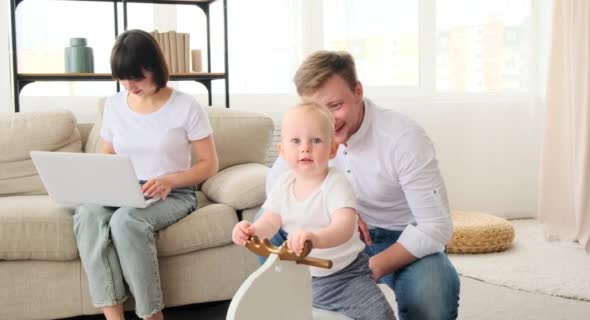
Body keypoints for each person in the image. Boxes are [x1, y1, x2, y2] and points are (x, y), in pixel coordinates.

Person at [264, 50, 460, 320]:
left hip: (399, 237)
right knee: (266, 225)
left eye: (335, 105)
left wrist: (371, 267)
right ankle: (302, 303)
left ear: (358, 91)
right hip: (332, 236)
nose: (329, 121)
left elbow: (436, 226)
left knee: (433, 289)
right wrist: (336, 219)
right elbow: (278, 187)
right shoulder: (310, 135)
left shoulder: (403, 139)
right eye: (318, 109)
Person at [73, 29, 219, 320]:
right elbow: (108, 154)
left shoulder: (186, 106)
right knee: (87, 215)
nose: (130, 85)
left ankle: (152, 315)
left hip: (174, 191)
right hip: (124, 187)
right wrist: (105, 182)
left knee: (126, 220)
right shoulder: (114, 105)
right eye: (122, 78)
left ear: (154, 68)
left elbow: (209, 164)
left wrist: (170, 180)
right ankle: (113, 316)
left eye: (136, 77)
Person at [233, 102, 395, 320]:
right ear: (283, 151)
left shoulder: (336, 184)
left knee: (379, 314)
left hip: (345, 277)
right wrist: (251, 231)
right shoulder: (284, 184)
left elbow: (344, 227)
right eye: (296, 141)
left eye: (316, 140)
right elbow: (270, 222)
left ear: (332, 150)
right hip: (299, 277)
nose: (305, 148)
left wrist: (315, 239)